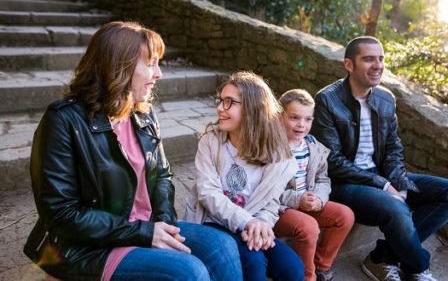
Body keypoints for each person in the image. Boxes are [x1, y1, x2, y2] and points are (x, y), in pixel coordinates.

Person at [23, 21, 241, 281]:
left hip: (145, 226)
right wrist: (144, 233)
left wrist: (164, 224)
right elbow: (62, 215)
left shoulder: (143, 113)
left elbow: (162, 175)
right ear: (120, 66)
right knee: (188, 272)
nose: (159, 73)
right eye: (151, 63)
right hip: (89, 246)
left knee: (222, 246)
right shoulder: (63, 121)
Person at [310, 36, 448, 281]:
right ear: (349, 65)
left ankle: (384, 257)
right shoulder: (327, 100)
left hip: (380, 176)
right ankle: (418, 266)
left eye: (381, 59)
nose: (378, 65)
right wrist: (383, 185)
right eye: (369, 59)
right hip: (343, 184)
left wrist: (398, 182)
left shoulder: (385, 99)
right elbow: (332, 161)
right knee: (395, 206)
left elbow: (393, 148)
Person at [185, 71, 304, 281]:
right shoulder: (210, 143)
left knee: (293, 268)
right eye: (221, 101)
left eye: (229, 102)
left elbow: (271, 202)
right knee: (254, 263)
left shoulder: (277, 156)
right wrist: (247, 222)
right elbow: (207, 192)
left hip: (253, 223)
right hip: (212, 221)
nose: (220, 108)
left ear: (253, 109)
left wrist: (262, 227)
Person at [273, 89, 356, 281]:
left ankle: (321, 266)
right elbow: (265, 189)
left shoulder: (314, 146)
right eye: (294, 117)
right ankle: (305, 277)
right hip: (278, 209)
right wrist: (297, 199)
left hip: (307, 202)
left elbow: (323, 179)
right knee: (309, 227)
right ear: (279, 117)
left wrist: (318, 198)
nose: (301, 125)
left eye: (308, 119)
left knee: (345, 216)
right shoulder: (271, 149)